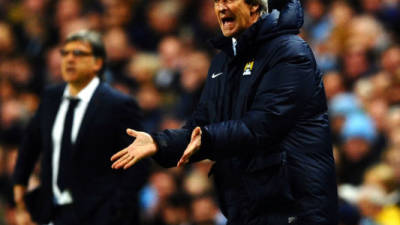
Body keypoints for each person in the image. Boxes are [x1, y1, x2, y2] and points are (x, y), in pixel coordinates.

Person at [111, 0, 338, 224]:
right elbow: (201, 125)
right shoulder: (222, 62)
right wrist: (159, 143)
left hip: (293, 206)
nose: (220, 7)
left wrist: (208, 139)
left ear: (254, 6)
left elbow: (263, 124)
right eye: (217, 1)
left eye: (228, 0)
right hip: (245, 206)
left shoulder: (289, 51)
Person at [13, 30, 149, 225]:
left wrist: (116, 210)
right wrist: (20, 184)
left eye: (78, 54)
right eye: (65, 53)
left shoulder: (118, 104)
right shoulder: (51, 97)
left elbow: (138, 164)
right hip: (53, 211)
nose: (69, 59)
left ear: (97, 63)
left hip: (99, 214)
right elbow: (30, 145)